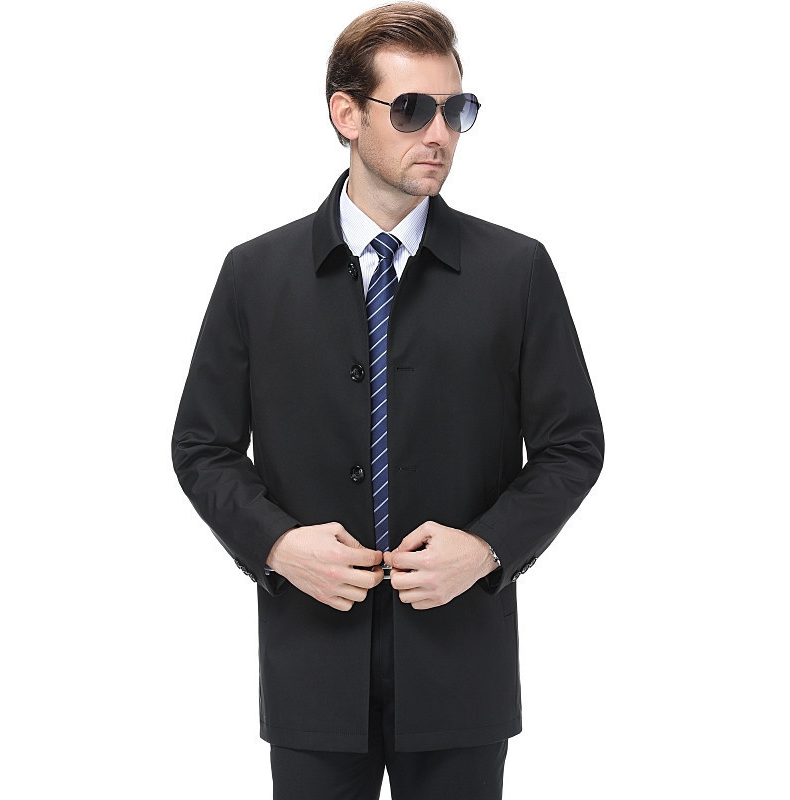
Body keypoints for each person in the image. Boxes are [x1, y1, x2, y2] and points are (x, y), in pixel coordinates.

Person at [171, 3, 604, 798]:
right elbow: (202, 445)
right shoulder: (255, 275)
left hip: (461, 670)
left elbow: (573, 444)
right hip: (311, 667)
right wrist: (276, 545)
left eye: (455, 110)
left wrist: (488, 548)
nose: (439, 133)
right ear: (346, 114)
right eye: (411, 109)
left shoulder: (515, 271)